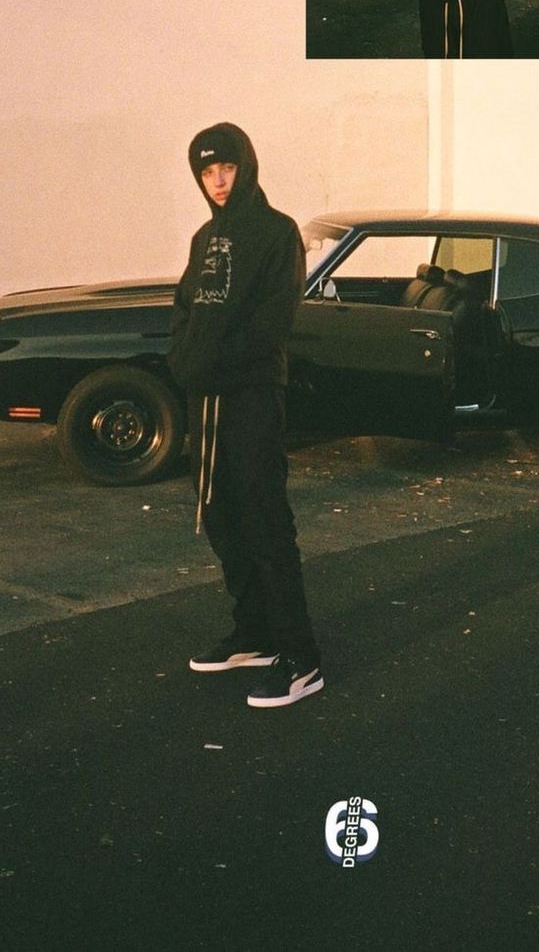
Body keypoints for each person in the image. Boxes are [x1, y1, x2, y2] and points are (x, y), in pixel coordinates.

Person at [168, 122, 323, 709]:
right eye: (207, 172)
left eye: (226, 168)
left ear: (246, 165)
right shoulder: (205, 239)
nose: (218, 181)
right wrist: (184, 363)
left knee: (264, 519)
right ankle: (254, 632)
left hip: (253, 396)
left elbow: (272, 323)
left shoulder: (278, 234)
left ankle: (301, 657)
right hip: (204, 399)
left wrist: (209, 366)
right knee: (220, 513)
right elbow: (185, 311)